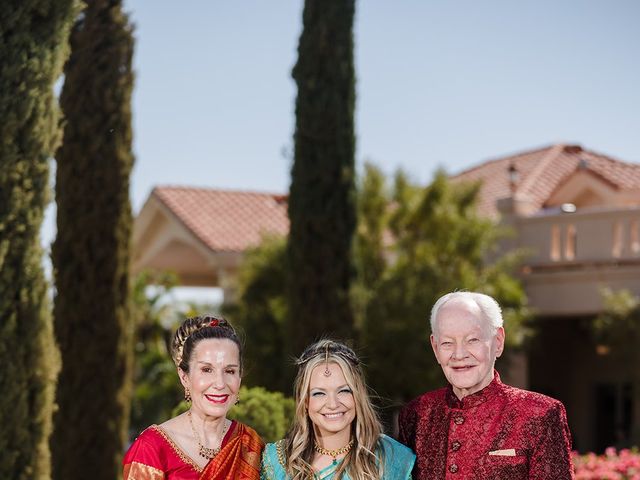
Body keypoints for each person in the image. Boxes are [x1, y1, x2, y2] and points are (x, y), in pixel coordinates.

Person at [398, 291, 575, 479]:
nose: (459, 355)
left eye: (472, 340)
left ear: (498, 341)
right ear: (435, 347)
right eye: (447, 343)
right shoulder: (416, 414)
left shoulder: (540, 414)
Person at [123, 315, 264, 479]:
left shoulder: (249, 444)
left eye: (230, 371)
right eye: (206, 370)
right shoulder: (151, 448)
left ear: (239, 378)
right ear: (184, 377)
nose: (220, 384)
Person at [261, 339, 415, 480]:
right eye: (319, 393)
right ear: (305, 401)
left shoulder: (392, 458)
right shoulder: (277, 461)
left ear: (358, 395)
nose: (333, 404)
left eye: (344, 391)